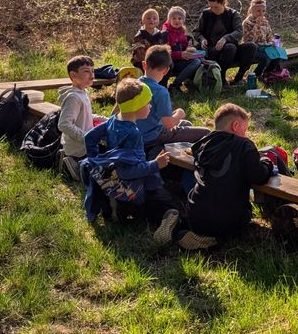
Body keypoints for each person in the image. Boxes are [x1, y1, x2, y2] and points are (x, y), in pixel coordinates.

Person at [155, 103, 273, 249]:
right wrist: (266, 163)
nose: (246, 134)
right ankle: (212, 239)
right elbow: (259, 176)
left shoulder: (203, 145)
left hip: (196, 214)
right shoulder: (244, 145)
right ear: (236, 125)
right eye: (245, 129)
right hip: (230, 218)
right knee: (235, 233)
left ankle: (181, 227)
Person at [81, 79, 179, 226]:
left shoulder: (113, 120)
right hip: (130, 186)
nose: (150, 106)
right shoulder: (133, 133)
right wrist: (155, 164)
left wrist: (97, 160)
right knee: (165, 200)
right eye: (147, 103)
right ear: (136, 106)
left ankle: (113, 199)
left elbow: (89, 137)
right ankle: (124, 209)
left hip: (114, 176)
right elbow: (127, 171)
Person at [136, 45, 210, 156]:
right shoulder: (161, 91)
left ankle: (162, 148)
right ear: (166, 70)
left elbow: (115, 113)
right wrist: (179, 113)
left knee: (187, 124)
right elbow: (168, 124)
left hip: (135, 134)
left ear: (144, 65)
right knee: (206, 133)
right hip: (153, 136)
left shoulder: (132, 85)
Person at [193, 0, 257, 86]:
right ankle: (221, 77)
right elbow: (197, 31)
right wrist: (202, 39)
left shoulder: (233, 14)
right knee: (230, 48)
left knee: (251, 47)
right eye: (211, 7)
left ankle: (239, 77)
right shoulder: (206, 14)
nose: (213, 10)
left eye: (216, 7)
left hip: (231, 50)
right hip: (212, 50)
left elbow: (239, 31)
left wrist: (225, 38)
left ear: (223, 3)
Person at [58, 55, 102, 181]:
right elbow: (64, 124)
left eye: (93, 71)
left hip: (85, 142)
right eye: (86, 71)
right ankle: (72, 162)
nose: (92, 75)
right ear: (73, 75)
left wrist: (103, 119)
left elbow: (85, 115)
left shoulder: (84, 92)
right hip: (78, 147)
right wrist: (85, 137)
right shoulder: (73, 98)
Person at [161, 6, 203, 92]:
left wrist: (188, 49)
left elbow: (184, 47)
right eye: (174, 18)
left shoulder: (182, 31)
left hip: (181, 59)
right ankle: (173, 86)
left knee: (198, 59)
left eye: (180, 18)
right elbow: (165, 53)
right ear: (169, 19)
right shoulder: (165, 33)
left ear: (183, 20)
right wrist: (181, 54)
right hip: (170, 62)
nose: (177, 21)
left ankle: (177, 84)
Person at [242, 0, 285, 79]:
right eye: (258, 11)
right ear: (252, 10)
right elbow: (249, 40)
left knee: (279, 54)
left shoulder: (265, 21)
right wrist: (257, 26)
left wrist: (273, 42)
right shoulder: (247, 23)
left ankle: (267, 73)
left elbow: (269, 36)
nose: (261, 14)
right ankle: (255, 76)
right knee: (266, 57)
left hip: (265, 47)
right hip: (252, 49)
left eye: (263, 11)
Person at [131, 8, 168, 72]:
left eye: (154, 18)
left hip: (157, 59)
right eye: (148, 18)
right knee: (146, 66)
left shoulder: (160, 35)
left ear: (158, 22)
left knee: (168, 65)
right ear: (143, 21)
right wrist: (152, 60)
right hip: (142, 60)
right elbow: (140, 53)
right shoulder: (139, 36)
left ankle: (161, 82)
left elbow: (162, 48)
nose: (151, 20)